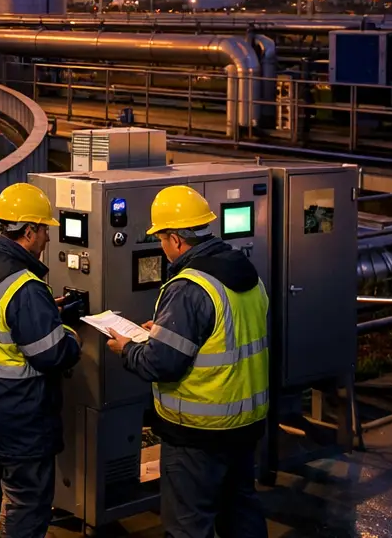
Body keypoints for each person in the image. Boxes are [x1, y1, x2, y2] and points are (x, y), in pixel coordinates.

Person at [106, 186, 269, 538]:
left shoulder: (188, 286)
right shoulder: (246, 274)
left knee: (187, 526)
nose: (162, 248)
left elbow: (161, 363)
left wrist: (127, 349)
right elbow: (223, 335)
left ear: (177, 240)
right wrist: (165, 331)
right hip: (244, 424)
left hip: (198, 432)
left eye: (162, 238)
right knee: (241, 512)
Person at [0, 182, 81, 538]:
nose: (49, 239)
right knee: (27, 501)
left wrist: (36, 316)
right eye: (45, 231)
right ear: (29, 231)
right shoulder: (24, 287)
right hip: (20, 420)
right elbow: (52, 354)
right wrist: (70, 336)